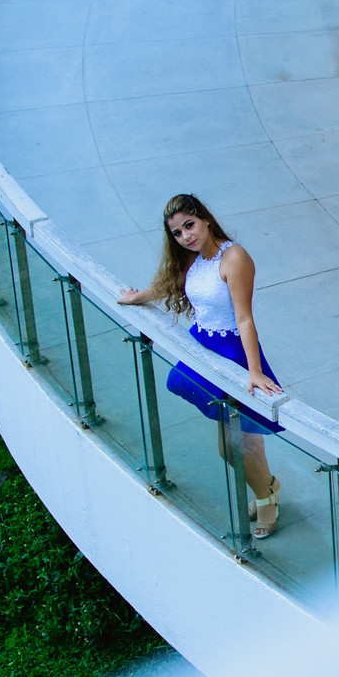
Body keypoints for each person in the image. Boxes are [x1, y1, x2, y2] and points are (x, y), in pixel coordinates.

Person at [118, 194, 284, 539]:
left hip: (233, 353)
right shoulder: (193, 260)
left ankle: (267, 495)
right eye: (177, 233)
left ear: (205, 219)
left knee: (233, 444)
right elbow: (166, 286)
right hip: (204, 348)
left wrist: (254, 372)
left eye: (189, 226)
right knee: (235, 440)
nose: (186, 237)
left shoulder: (233, 257)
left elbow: (244, 318)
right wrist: (136, 297)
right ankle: (265, 486)